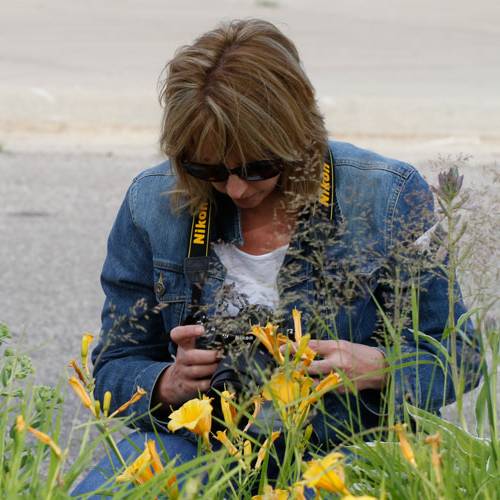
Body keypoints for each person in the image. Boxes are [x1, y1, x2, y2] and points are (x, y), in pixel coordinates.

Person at [73, 18, 480, 495]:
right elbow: (114, 367)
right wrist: (168, 382)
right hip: (200, 443)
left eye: (257, 166)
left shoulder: (385, 194)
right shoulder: (152, 201)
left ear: (300, 135)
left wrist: (379, 368)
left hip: (341, 445)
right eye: (209, 170)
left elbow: (461, 358)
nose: (237, 188)